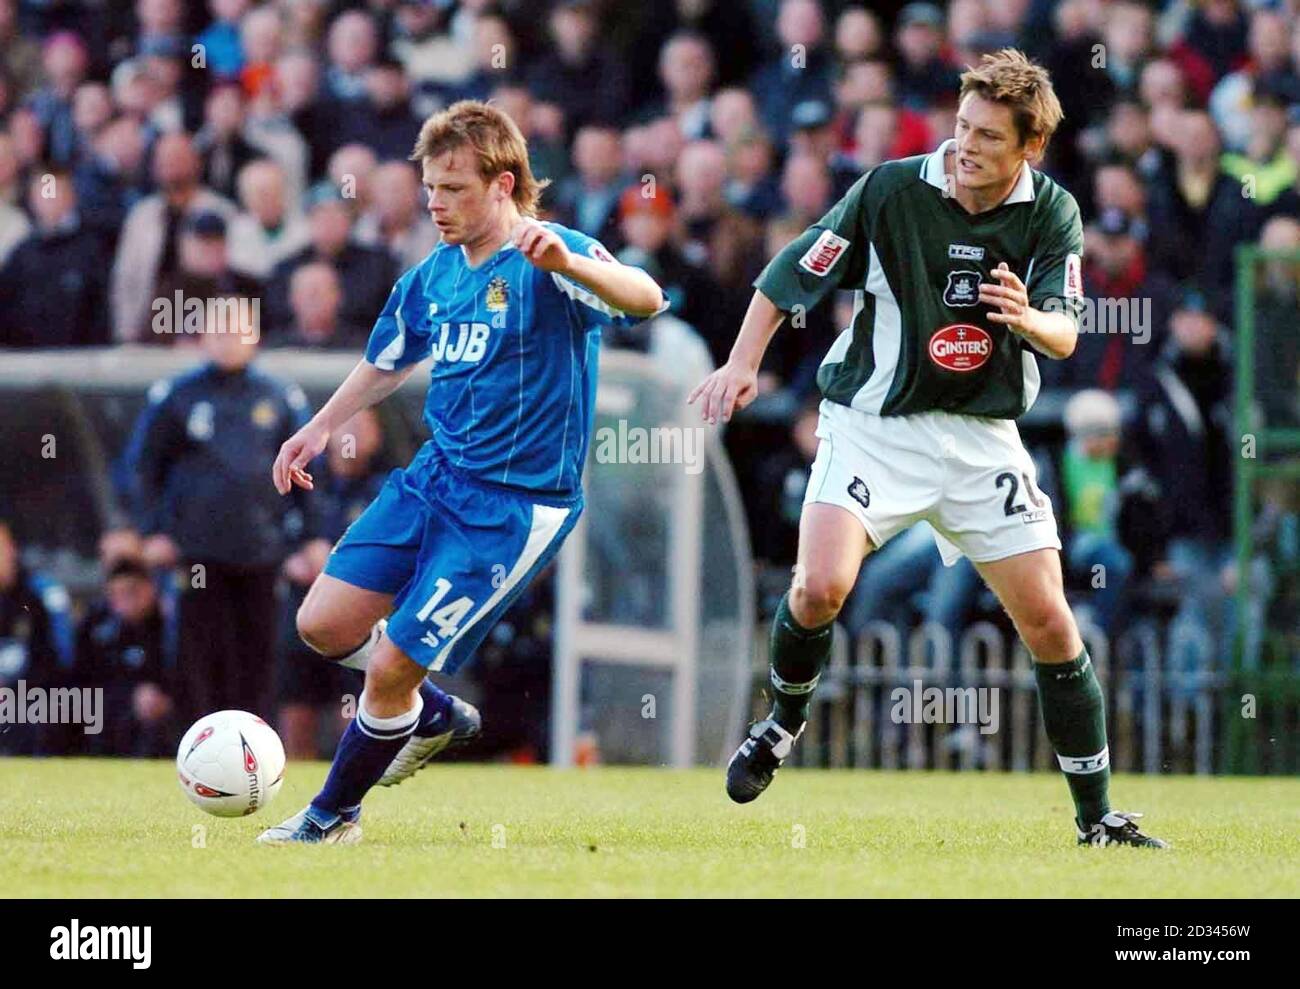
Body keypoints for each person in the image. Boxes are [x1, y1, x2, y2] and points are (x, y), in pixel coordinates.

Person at [689, 49, 1167, 848]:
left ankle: (1097, 819)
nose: (966, 145)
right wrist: (742, 363)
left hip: (981, 440)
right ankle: (781, 724)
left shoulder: (1051, 212)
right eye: (962, 126)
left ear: (1030, 148)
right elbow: (789, 272)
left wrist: (1025, 317)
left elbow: (1065, 329)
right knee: (819, 587)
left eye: (987, 136)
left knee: (1051, 621)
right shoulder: (890, 189)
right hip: (875, 425)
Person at [258, 100, 664, 844]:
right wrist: (318, 428)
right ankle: (432, 711)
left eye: (453, 189)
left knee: (387, 668)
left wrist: (570, 264)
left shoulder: (551, 253)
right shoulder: (433, 276)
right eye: (430, 189)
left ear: (503, 185)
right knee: (320, 623)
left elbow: (647, 298)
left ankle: (331, 815)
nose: (436, 205)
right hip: (435, 478)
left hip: (512, 507)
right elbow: (387, 361)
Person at [124, 306, 328, 723]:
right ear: (202, 337)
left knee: (260, 655)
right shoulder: (176, 396)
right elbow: (142, 467)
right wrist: (151, 531)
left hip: (263, 552)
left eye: (236, 330)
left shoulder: (278, 396)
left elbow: (309, 469)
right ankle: (196, 750)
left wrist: (310, 537)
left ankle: (256, 749)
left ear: (253, 335)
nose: (227, 339)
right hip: (196, 552)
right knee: (195, 654)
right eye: (218, 330)